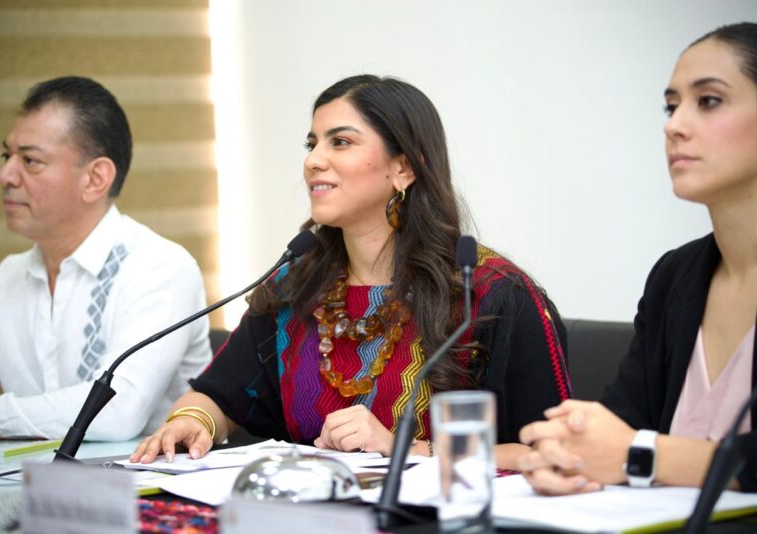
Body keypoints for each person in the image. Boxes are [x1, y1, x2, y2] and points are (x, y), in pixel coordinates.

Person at [130, 74, 571, 470]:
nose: (313, 161)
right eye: (312, 144)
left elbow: (554, 452)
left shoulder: (491, 294)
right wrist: (193, 421)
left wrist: (404, 448)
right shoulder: (295, 285)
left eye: (340, 142)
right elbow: (218, 395)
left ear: (404, 167)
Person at [518, 22, 757, 494]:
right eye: (671, 106)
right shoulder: (674, 276)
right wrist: (567, 455)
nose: (674, 125)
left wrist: (641, 455)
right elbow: (620, 425)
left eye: (709, 100)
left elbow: (629, 447)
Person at [0, 76, 212, 440]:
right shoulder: (7, 278)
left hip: (143, 476)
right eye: (6, 156)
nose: (5, 175)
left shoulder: (161, 267)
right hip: (25, 476)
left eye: (30, 160)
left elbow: (114, 412)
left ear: (95, 179)